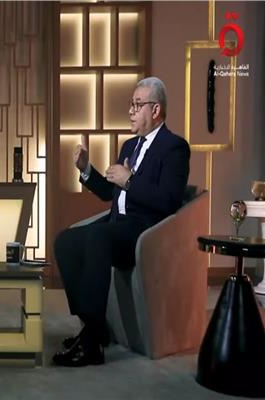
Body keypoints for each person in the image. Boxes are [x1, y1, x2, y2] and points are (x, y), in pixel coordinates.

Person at [52, 77, 190, 367]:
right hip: (118, 224)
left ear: (155, 110)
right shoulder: (129, 146)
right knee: (66, 240)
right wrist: (86, 170)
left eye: (137, 105)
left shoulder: (174, 148)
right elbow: (110, 194)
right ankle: (93, 327)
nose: (130, 111)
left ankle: (91, 344)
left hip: (145, 230)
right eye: (131, 104)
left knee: (97, 237)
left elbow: (168, 200)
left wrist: (129, 181)